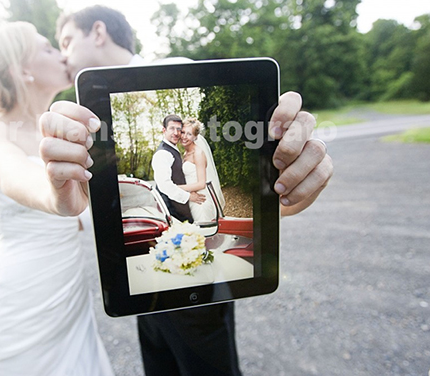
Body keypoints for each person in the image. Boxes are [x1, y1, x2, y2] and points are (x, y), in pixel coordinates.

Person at [41, 5, 333, 376]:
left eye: (67, 41)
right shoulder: (91, 123)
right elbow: (156, 187)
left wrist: (281, 178)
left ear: (97, 32)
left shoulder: (174, 69)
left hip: (194, 285)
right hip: (150, 285)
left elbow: (172, 184)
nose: (64, 54)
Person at [0, 22, 113, 376]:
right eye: (47, 48)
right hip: (21, 295)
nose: (61, 53)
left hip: (70, 293)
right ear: (21, 69)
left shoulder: (72, 129)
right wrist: (56, 198)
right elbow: (14, 176)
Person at [151, 114, 205, 223]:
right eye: (172, 128)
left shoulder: (174, 149)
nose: (176, 133)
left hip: (180, 208)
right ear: (164, 130)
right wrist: (189, 196)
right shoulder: (162, 153)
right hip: (171, 210)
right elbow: (164, 186)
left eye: (178, 129)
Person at [178, 118, 225, 222]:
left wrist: (177, 188)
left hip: (200, 199)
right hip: (191, 197)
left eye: (189, 134)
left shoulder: (198, 153)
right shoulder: (186, 153)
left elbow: (201, 184)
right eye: (183, 132)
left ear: (195, 137)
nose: (184, 137)